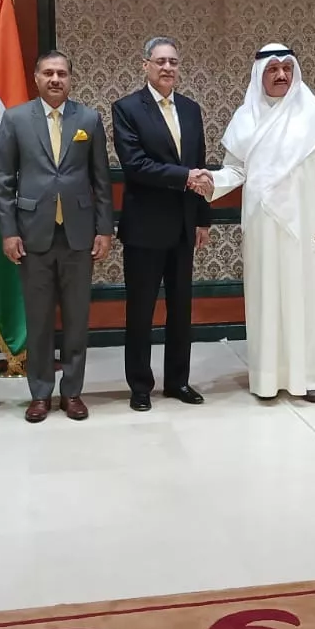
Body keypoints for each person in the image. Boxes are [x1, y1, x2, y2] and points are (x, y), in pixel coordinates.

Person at [202, 44, 315, 402]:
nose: (281, 75)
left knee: (305, 297)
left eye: (286, 68)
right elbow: (236, 170)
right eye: (273, 69)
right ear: (260, 74)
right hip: (261, 224)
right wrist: (211, 181)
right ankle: (267, 379)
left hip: (305, 223)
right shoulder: (245, 117)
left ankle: (309, 377)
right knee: (265, 297)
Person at [0, 50, 114, 423]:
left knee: (77, 319)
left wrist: (104, 229)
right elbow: (4, 181)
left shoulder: (88, 119)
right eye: (48, 72)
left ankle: (73, 392)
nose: (55, 79)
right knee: (39, 320)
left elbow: (101, 179)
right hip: (33, 235)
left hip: (78, 235)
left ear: (70, 79)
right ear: (36, 78)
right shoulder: (16, 119)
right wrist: (9, 232)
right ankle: (41, 393)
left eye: (62, 73)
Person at [111, 36, 211, 411]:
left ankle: (177, 381)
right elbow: (135, 165)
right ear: (146, 66)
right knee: (141, 311)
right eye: (160, 61)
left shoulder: (190, 109)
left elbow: (200, 163)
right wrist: (184, 177)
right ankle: (140, 385)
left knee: (180, 309)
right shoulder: (126, 108)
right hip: (145, 228)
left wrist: (202, 219)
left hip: (184, 226)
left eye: (173, 62)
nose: (167, 67)